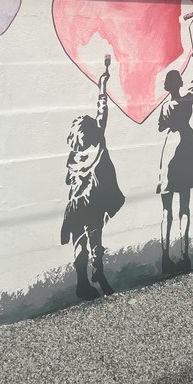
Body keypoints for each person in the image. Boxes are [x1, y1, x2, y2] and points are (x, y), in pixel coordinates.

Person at [60, 62, 124, 300]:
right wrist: (102, 86)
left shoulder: (73, 156)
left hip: (75, 206)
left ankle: (82, 283)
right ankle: (99, 274)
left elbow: (68, 180)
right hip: (93, 203)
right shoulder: (98, 145)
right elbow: (102, 112)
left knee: (79, 243)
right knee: (95, 241)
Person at [157, 44, 193, 274]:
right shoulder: (186, 102)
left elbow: (160, 127)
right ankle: (184, 255)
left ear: (167, 86)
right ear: (180, 84)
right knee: (184, 205)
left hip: (170, 150)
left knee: (166, 208)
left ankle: (165, 256)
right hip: (186, 149)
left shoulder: (165, 106)